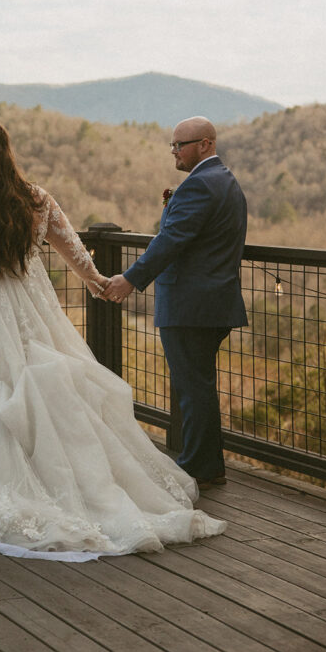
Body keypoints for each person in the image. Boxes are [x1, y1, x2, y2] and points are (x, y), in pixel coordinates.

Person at [0, 120, 225, 559]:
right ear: (9, 156)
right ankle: (55, 481)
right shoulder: (36, 201)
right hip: (28, 307)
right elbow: (74, 250)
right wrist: (98, 281)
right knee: (38, 388)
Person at [105, 116, 247, 490]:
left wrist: (130, 279)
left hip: (190, 305)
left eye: (179, 145)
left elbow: (170, 240)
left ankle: (197, 468)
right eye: (172, 145)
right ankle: (206, 463)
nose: (174, 152)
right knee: (199, 384)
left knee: (192, 387)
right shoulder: (226, 181)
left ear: (205, 143)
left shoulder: (199, 185)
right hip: (215, 302)